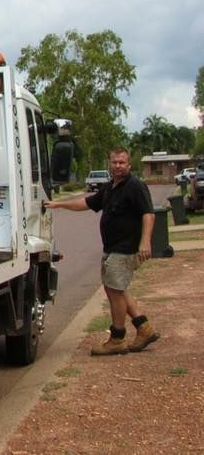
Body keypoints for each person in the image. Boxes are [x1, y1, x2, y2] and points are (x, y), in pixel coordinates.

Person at [44, 147, 160, 356]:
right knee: (116, 289)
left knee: (115, 292)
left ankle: (117, 338)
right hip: (111, 248)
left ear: (129, 165)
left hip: (125, 249)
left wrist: (145, 242)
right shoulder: (109, 188)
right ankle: (144, 328)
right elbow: (86, 203)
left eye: (122, 162)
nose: (118, 166)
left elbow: (148, 214)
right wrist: (59, 205)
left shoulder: (135, 186)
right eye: (115, 162)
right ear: (110, 164)